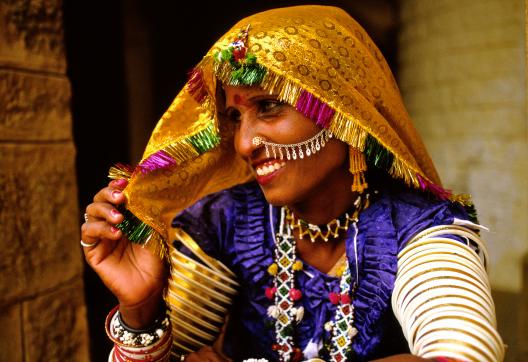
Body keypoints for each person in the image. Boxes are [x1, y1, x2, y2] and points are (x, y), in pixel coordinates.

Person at [81, 5, 504, 362]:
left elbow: (465, 354)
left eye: (268, 107)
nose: (245, 143)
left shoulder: (417, 227)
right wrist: (141, 312)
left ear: (343, 110)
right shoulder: (227, 221)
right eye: (235, 118)